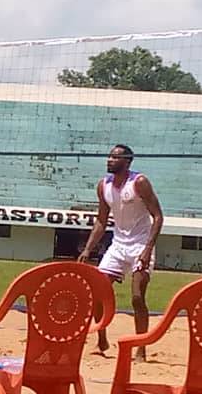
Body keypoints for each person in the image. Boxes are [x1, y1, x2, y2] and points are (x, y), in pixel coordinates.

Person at [78, 144, 163, 362]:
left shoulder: (139, 182)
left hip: (140, 245)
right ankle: (102, 340)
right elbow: (101, 220)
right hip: (118, 245)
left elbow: (158, 216)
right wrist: (88, 249)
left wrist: (148, 249)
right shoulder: (103, 185)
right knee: (97, 292)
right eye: (109, 156)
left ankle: (141, 348)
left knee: (137, 297)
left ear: (127, 161)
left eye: (115, 157)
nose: (109, 160)